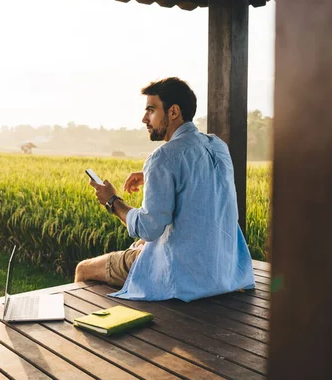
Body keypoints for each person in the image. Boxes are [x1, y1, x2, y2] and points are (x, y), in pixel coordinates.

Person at [74, 77, 255, 301]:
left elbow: (149, 228)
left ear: (173, 112)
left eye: (151, 110)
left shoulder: (163, 157)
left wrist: (112, 201)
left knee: (84, 268)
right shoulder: (217, 146)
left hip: (182, 277)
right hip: (224, 272)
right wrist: (150, 176)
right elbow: (198, 184)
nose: (144, 119)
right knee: (141, 245)